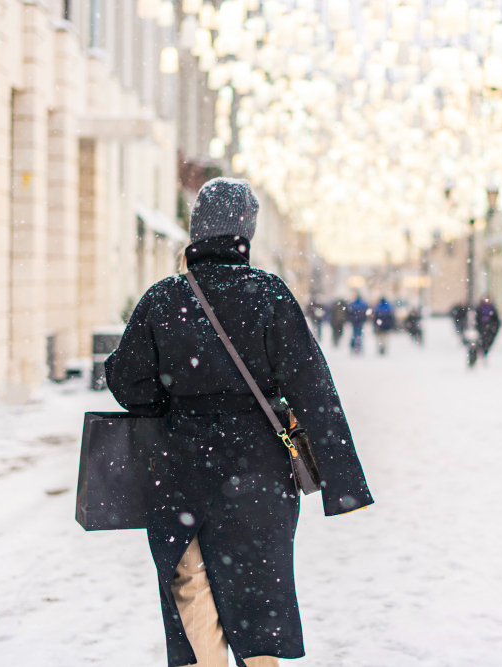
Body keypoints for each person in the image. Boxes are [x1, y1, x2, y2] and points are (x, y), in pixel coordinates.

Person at [104, 178, 373, 667]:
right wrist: (342, 483)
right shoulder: (269, 294)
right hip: (258, 472)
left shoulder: (164, 297)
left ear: (195, 230)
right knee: (259, 594)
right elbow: (314, 390)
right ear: (246, 231)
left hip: (182, 467)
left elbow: (127, 383)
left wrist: (171, 399)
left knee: (192, 588)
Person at [476, 295, 500, 361]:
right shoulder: (480, 308)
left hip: (490, 329)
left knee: (488, 342)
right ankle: (482, 353)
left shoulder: (492, 308)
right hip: (482, 328)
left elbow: (496, 320)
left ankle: (485, 353)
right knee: (483, 341)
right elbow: (477, 319)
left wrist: (493, 327)